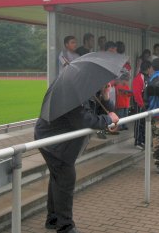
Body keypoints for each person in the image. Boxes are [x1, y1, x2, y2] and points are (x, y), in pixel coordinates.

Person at [35, 85, 119, 232]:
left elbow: (107, 112)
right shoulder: (72, 93)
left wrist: (106, 97)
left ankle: (53, 219)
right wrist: (107, 119)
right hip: (53, 142)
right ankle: (65, 226)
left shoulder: (89, 91)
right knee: (65, 178)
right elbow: (84, 120)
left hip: (55, 141)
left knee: (58, 177)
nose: (108, 83)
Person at [132, 60, 152, 149]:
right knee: (139, 122)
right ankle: (137, 141)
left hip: (147, 104)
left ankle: (143, 140)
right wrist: (141, 104)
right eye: (150, 68)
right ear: (148, 68)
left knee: (144, 123)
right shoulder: (139, 77)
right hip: (140, 104)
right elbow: (136, 93)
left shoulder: (149, 77)